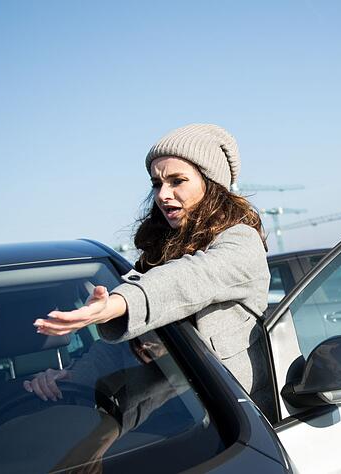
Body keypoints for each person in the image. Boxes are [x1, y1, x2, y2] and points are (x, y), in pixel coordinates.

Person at [28, 123, 273, 413]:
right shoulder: (157, 253)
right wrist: (73, 377)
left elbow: (188, 279)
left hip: (243, 421)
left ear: (211, 183)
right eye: (157, 184)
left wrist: (117, 304)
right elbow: (123, 348)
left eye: (177, 181)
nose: (163, 194)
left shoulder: (241, 241)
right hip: (176, 417)